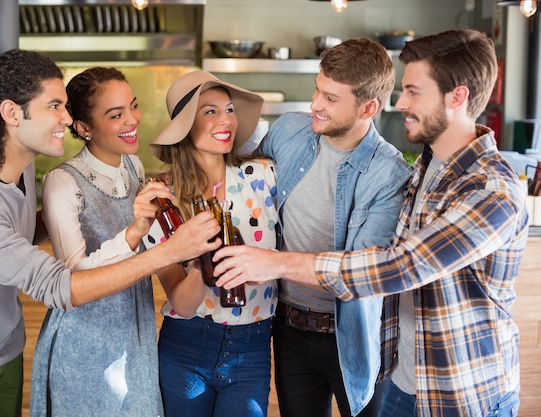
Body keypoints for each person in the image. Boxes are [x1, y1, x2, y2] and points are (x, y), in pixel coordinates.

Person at [215, 29, 528, 417]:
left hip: (462, 393)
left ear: (457, 97)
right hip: (405, 380)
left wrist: (275, 262)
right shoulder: (427, 170)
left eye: (414, 91)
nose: (400, 103)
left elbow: (399, 266)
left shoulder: (490, 189)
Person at [0, 50, 220, 417]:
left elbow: (20, 231)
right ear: (12, 114)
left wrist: (99, 210)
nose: (66, 117)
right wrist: (164, 250)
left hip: (4, 355)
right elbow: (60, 287)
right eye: (55, 106)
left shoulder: (22, 169)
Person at [210, 38, 412, 417]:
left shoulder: (390, 174)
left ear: (368, 107)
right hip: (289, 329)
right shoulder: (288, 131)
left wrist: (272, 262)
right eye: (317, 89)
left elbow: (359, 273)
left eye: (331, 99)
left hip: (354, 339)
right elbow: (245, 185)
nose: (315, 104)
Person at [29, 67, 164, 416]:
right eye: (116, 115)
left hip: (133, 326)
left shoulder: (133, 166)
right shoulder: (63, 181)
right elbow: (74, 276)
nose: (132, 119)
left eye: (133, 106)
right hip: (84, 338)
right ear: (83, 127)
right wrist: (134, 232)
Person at [147, 70, 280, 417]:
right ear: (186, 125)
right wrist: (199, 260)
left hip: (251, 347)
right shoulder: (162, 201)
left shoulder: (264, 177)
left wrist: (265, 266)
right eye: (210, 111)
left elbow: (291, 257)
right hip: (186, 344)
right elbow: (183, 303)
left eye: (229, 109)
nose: (226, 121)